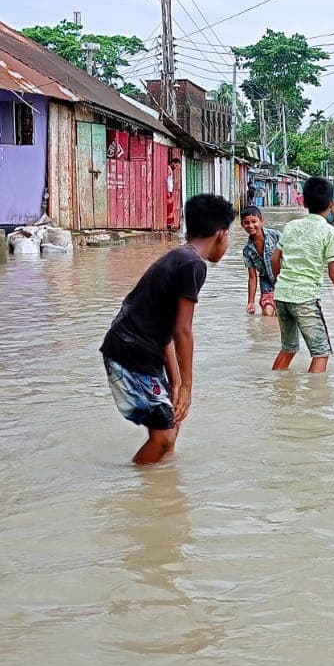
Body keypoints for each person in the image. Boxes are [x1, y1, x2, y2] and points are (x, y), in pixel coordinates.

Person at [101, 194, 234, 464]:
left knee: (172, 423)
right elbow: (183, 330)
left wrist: (175, 381)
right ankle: (130, 488)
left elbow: (168, 329)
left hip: (139, 349)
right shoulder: (193, 265)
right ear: (221, 234)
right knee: (163, 437)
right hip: (131, 351)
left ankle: (161, 489)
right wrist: (187, 387)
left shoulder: (181, 257)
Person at [271, 177, 334, 373]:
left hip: (281, 296)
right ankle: (314, 401)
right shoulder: (330, 233)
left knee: (288, 349)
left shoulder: (291, 226)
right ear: (332, 204)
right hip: (305, 298)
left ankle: (275, 388)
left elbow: (274, 260)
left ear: (303, 202)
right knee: (321, 352)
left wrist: (283, 283)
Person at [241, 206, 281, 317]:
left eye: (254, 221)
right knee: (267, 314)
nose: (250, 226)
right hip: (266, 283)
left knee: (281, 314)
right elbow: (252, 277)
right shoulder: (247, 250)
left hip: (284, 280)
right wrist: (250, 302)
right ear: (242, 225)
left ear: (262, 221)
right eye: (246, 223)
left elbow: (290, 255)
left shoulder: (276, 236)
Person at [165, 158, 182, 232]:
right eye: (176, 165)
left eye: (177, 166)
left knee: (171, 208)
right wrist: (168, 191)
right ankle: (169, 225)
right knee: (169, 208)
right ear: (173, 163)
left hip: (170, 191)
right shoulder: (168, 169)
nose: (176, 167)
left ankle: (170, 224)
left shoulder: (171, 170)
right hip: (168, 191)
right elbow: (166, 180)